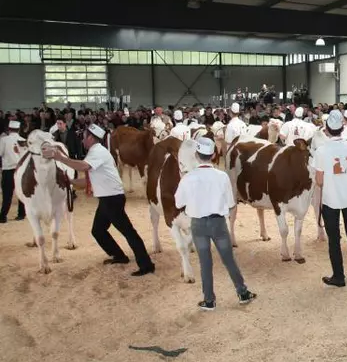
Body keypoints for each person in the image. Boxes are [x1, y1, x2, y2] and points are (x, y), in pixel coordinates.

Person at [43, 124, 155, 276]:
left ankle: (146, 265)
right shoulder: (94, 153)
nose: (82, 140)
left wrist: (60, 158)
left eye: (83, 136)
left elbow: (83, 167)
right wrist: (69, 181)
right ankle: (119, 256)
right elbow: (89, 181)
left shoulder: (98, 152)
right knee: (98, 231)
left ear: (90, 137)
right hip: (107, 198)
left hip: (112, 198)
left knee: (128, 232)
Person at [174, 137, 256, 311]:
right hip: (218, 223)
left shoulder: (188, 178)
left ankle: (209, 300)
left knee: (205, 262)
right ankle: (242, 292)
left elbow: (178, 203)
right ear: (212, 155)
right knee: (228, 259)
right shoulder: (222, 176)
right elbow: (230, 203)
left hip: (198, 225)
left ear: (196, 155)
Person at [314, 110, 347, 287]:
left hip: (330, 201)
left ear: (326, 129)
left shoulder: (321, 151)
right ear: (343, 128)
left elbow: (319, 181)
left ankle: (339, 276)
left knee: (334, 238)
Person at [0, 120, 25, 223]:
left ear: (9, 129)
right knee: (21, 193)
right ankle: (21, 214)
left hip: (8, 170)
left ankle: (3, 216)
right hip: (21, 170)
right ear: (18, 130)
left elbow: (0, 153)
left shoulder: (4, 140)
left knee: (7, 195)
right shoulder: (23, 140)